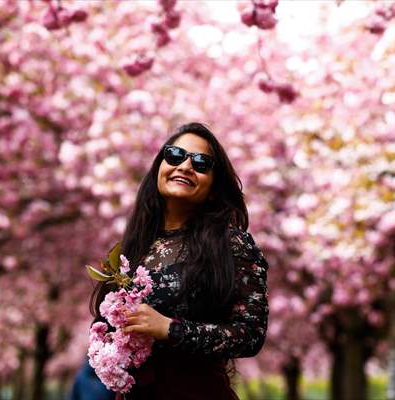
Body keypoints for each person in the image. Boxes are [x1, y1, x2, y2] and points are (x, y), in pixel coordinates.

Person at [89, 122, 270, 399]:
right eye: (175, 155)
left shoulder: (231, 244)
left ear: (213, 186)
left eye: (201, 163)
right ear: (160, 167)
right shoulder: (131, 248)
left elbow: (250, 335)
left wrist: (169, 329)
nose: (185, 166)